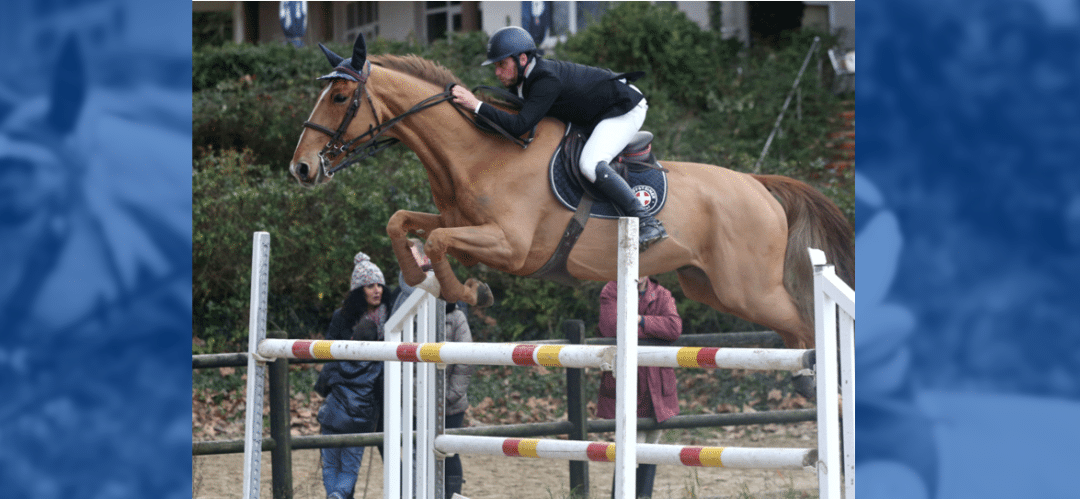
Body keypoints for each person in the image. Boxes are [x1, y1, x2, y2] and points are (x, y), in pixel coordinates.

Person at [451, 26, 667, 251]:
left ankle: (648, 221)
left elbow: (519, 126)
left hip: (624, 108)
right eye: (496, 66)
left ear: (522, 58)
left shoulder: (545, 79)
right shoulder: (524, 82)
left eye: (501, 64)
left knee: (590, 164)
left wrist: (475, 105)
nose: (497, 72)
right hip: (596, 112)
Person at [391, 240, 473, 498]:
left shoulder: (457, 315)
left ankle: (451, 494)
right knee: (416, 452)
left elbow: (465, 359)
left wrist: (449, 395)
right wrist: (411, 396)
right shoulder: (402, 309)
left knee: (450, 453)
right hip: (415, 402)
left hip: (451, 402)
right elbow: (395, 352)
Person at [314, 252, 392, 499]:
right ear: (360, 290)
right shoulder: (342, 317)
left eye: (379, 284)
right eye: (370, 286)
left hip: (380, 396)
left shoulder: (391, 316)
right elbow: (329, 352)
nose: (377, 290)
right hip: (350, 395)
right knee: (343, 461)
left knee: (373, 455)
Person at [595, 276, 682, 499]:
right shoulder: (612, 290)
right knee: (629, 451)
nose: (642, 270)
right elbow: (612, 327)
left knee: (651, 450)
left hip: (658, 388)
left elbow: (674, 328)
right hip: (631, 386)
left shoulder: (661, 293)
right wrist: (653, 329)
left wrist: (639, 320)